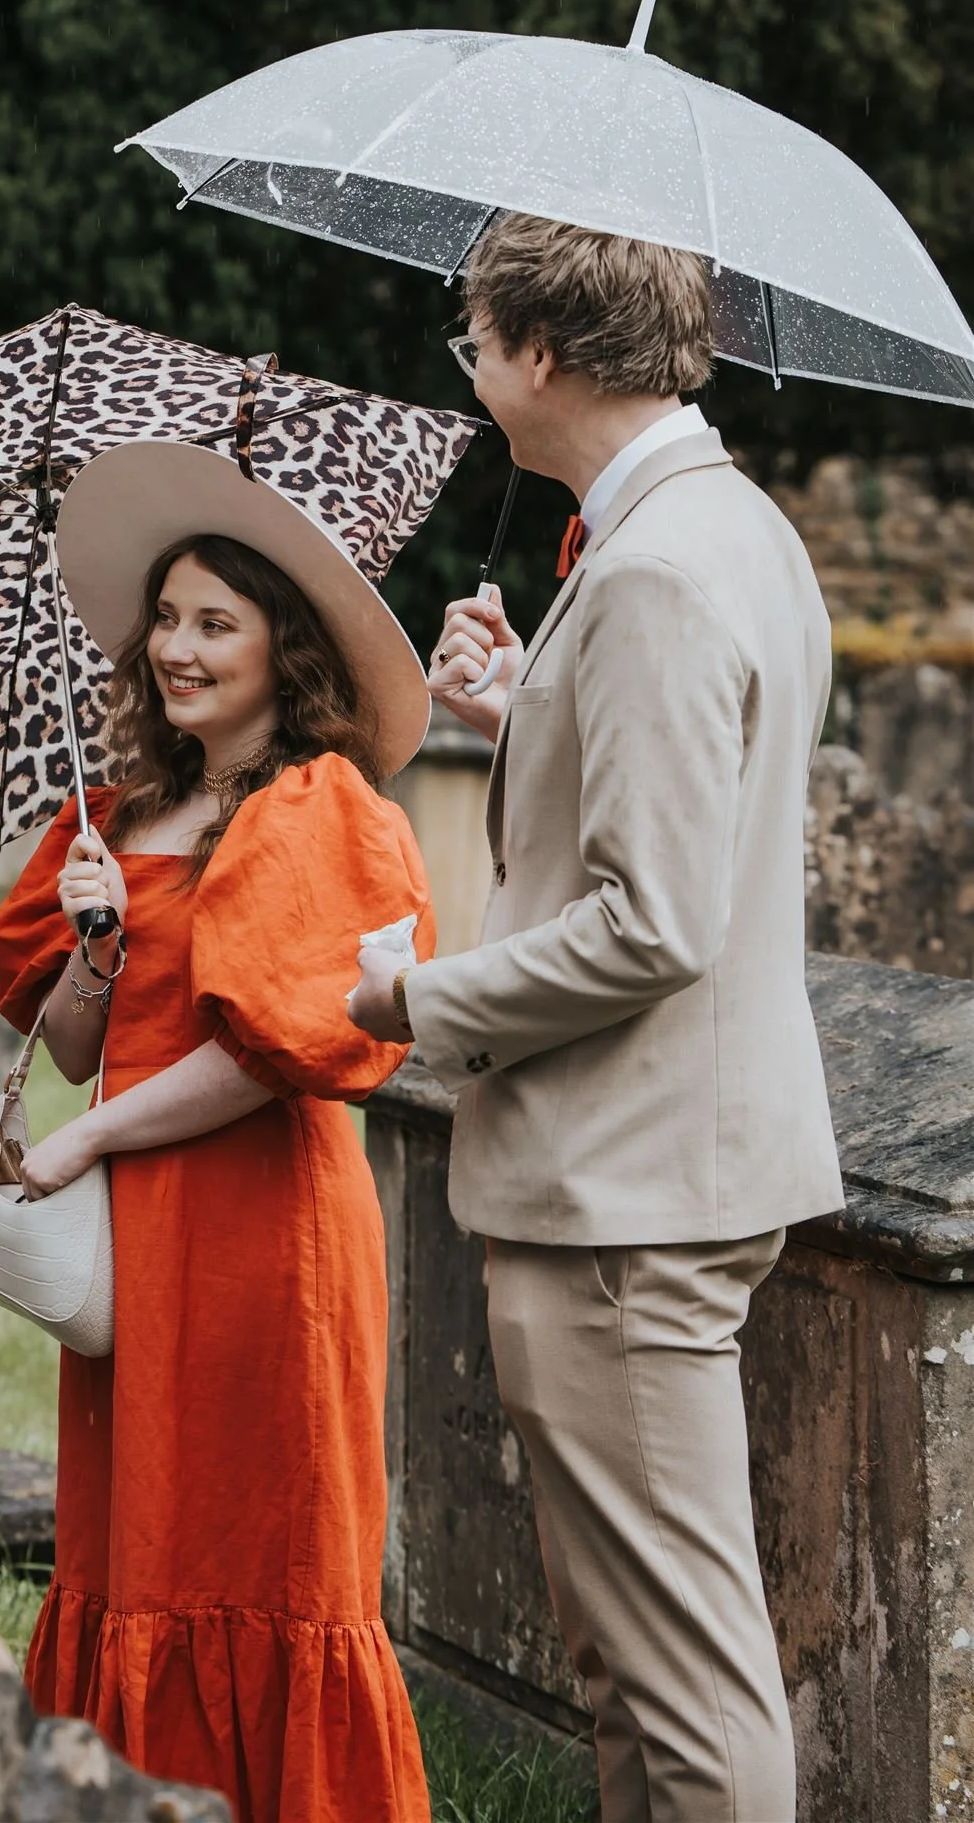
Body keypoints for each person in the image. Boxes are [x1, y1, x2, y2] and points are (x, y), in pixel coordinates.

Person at [349, 213, 844, 1823]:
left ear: (543, 353)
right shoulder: (723, 528)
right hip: (651, 1173)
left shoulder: (659, 573)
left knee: (687, 1689)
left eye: (474, 339)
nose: (471, 367)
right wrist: (523, 712)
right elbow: (682, 809)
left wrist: (410, 997)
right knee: (628, 1670)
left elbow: (656, 922)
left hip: (626, 1194)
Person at [0, 439, 436, 1823]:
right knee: (141, 1542)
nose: (177, 649)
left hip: (268, 1233)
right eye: (167, 620)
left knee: (276, 1551)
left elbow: (280, 1060)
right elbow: (74, 1048)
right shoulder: (117, 817)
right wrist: (95, 943)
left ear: (277, 649)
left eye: (214, 624)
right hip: (149, 1237)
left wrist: (87, 1147)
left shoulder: (322, 807)